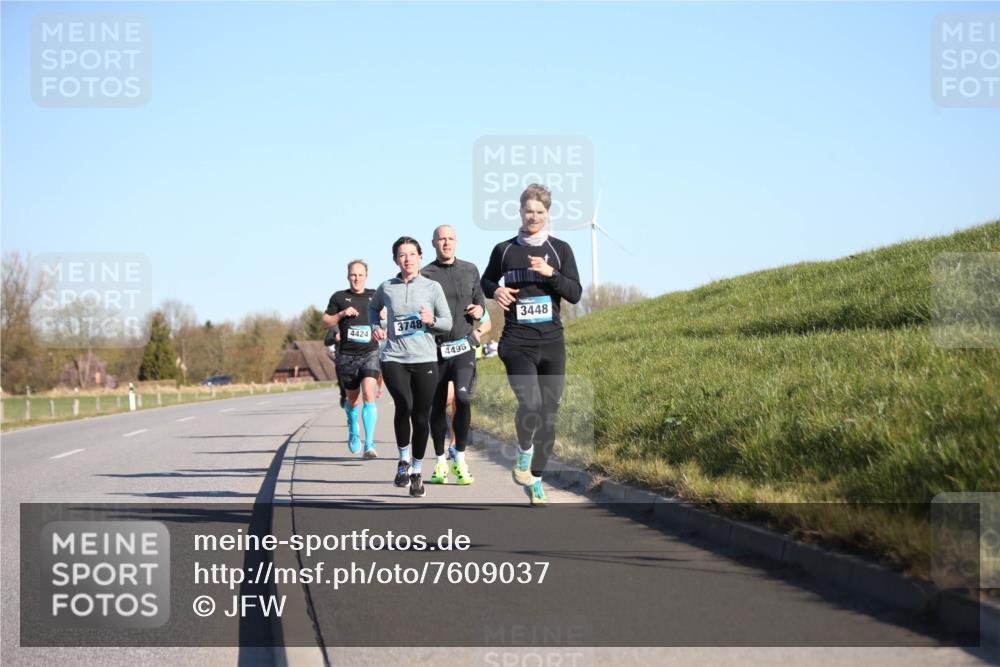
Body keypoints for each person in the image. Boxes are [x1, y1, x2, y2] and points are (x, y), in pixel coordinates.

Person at [481, 184, 582, 505]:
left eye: (540, 212)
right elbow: (486, 280)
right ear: (521, 212)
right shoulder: (505, 250)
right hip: (517, 342)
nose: (534, 216)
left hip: (552, 341)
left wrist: (551, 273)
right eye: (529, 211)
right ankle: (524, 452)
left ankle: (535, 480)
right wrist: (495, 292)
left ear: (548, 214)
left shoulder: (560, 250)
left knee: (549, 415)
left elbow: (574, 293)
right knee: (531, 405)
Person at [370, 237, 452, 498]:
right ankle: (403, 460)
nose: (407, 259)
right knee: (404, 405)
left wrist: (432, 320)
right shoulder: (386, 287)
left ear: (419, 257)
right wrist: (375, 328)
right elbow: (373, 309)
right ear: (396, 259)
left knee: (420, 415)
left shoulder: (432, 287)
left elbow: (447, 322)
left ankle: (416, 472)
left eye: (412, 254)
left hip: (425, 358)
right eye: (402, 255)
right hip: (394, 358)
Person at [422, 225, 491, 485]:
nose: (446, 243)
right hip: (435, 350)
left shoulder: (470, 269)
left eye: (450, 239)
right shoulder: (425, 274)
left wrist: (478, 313)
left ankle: (460, 458)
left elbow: (480, 303)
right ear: (433, 243)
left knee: (462, 398)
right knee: (437, 406)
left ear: (456, 242)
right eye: (441, 239)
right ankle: (440, 462)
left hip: (463, 346)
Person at [323, 260, 381, 458]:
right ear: (348, 276)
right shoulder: (339, 297)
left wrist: (383, 327)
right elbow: (325, 322)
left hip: (370, 353)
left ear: (366, 276)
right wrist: (341, 314)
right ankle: (354, 431)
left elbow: (386, 315)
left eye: (360, 275)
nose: (357, 278)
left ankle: (370, 444)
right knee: (353, 401)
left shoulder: (375, 295)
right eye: (353, 275)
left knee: (369, 394)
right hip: (347, 356)